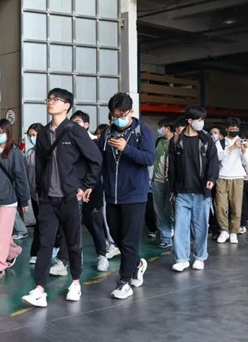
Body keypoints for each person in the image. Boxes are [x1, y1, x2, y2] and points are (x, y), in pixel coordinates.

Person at [21, 88, 102, 308]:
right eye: (49, 99)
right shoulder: (43, 133)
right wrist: (39, 191)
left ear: (67, 105)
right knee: (45, 244)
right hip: (48, 199)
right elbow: (40, 164)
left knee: (73, 242)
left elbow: (96, 159)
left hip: (69, 197)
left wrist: (85, 186)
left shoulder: (75, 131)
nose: (51, 102)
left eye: (56, 99)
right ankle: (39, 290)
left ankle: (75, 282)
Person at [99, 93, 156, 300]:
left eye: (121, 115)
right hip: (112, 195)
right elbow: (100, 161)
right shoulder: (107, 133)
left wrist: (127, 149)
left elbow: (149, 158)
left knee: (129, 239)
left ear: (131, 112)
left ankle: (124, 282)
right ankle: (137, 263)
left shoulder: (142, 131)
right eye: (114, 116)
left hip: (134, 195)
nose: (117, 119)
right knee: (117, 237)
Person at [168, 106, 220, 272]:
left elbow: (214, 161)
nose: (201, 122)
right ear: (189, 120)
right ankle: (181, 259)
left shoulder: (207, 140)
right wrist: (172, 189)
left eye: (203, 119)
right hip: (181, 191)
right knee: (180, 227)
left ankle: (199, 257)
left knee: (201, 227)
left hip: (201, 192)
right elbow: (172, 167)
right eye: (199, 119)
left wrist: (211, 179)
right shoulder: (176, 141)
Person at [71, 110, 119, 272]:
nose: (74, 125)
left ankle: (102, 255)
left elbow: (98, 167)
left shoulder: (96, 143)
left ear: (86, 125)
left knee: (94, 223)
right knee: (73, 225)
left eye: (78, 122)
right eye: (72, 122)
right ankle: (74, 258)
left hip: (92, 190)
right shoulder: (68, 142)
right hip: (73, 189)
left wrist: (88, 186)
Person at [0, 119, 30, 279]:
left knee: (3, 234)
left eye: (1, 132)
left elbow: (21, 178)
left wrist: (24, 200)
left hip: (8, 198)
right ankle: (13, 251)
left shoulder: (15, 153)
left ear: (8, 133)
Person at [215, 118, 248, 245]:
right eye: (232, 127)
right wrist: (232, 147)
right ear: (226, 129)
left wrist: (244, 151)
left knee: (236, 207)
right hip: (222, 177)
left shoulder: (243, 141)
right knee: (220, 206)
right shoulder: (220, 142)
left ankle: (234, 232)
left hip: (237, 177)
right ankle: (224, 231)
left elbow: (247, 162)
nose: (234, 129)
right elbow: (218, 157)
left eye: (236, 127)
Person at [150, 118, 175, 249]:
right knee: (159, 210)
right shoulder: (158, 141)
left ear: (168, 128)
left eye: (161, 127)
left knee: (172, 210)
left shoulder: (176, 141)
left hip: (171, 182)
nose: (159, 129)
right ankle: (166, 237)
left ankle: (176, 232)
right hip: (157, 180)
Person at [25, 123, 45, 266]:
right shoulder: (30, 153)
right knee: (39, 222)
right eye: (30, 135)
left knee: (44, 223)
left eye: (34, 135)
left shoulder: (48, 152)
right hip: (34, 194)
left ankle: (39, 251)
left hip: (46, 194)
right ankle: (36, 252)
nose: (32, 138)